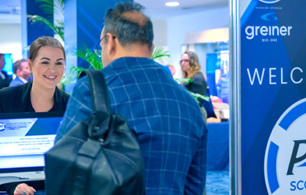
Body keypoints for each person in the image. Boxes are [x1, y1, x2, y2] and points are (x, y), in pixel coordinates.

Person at [55, 2, 207, 195]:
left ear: (110, 41)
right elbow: (195, 184)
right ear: (151, 47)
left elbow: (61, 168)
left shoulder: (92, 90)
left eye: (101, 44)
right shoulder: (188, 102)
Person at [0, 36, 69, 195]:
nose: (53, 70)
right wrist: (12, 185)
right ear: (30, 65)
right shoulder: (4, 99)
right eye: (45, 62)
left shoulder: (70, 105)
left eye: (59, 63)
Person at [181, 51, 208, 123]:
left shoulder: (198, 77)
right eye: (182, 61)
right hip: (190, 113)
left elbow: (197, 100)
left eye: (186, 60)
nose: (182, 63)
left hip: (196, 113)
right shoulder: (187, 78)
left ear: (193, 62)